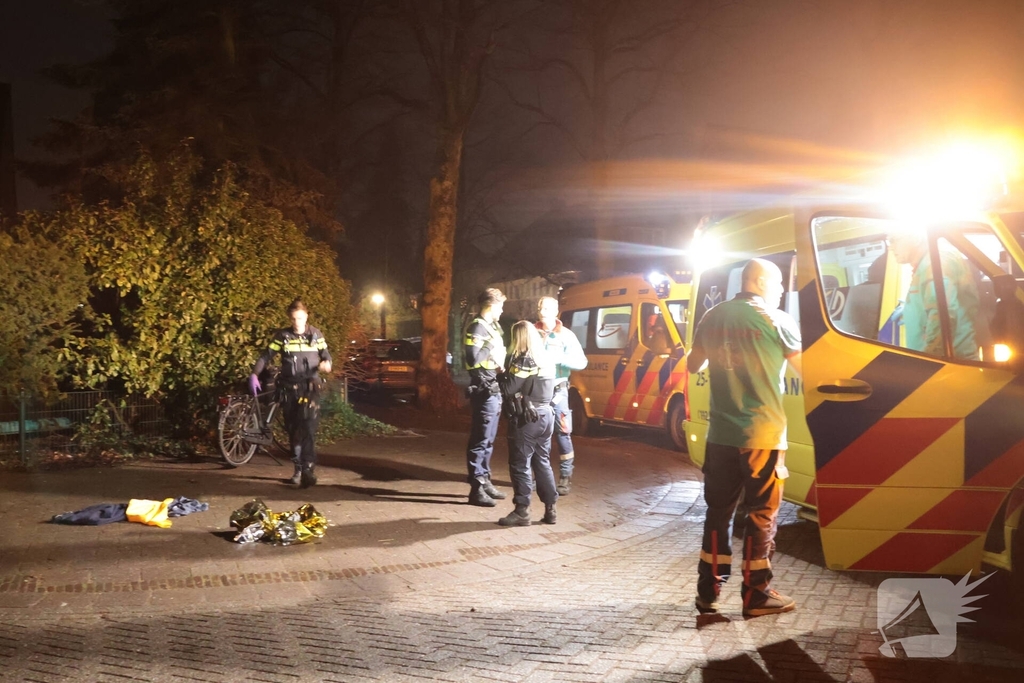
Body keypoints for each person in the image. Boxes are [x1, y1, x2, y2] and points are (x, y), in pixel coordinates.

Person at [685, 258, 802, 617]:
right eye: (779, 283)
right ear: (761, 282)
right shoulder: (778, 320)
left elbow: (693, 365)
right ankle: (756, 594)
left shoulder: (713, 316)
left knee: (718, 513)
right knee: (761, 515)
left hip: (720, 434)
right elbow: (808, 369)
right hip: (762, 434)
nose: (782, 290)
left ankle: (709, 592)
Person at [250, 298, 332, 488]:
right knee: (294, 430)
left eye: (300, 318)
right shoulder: (283, 336)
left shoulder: (316, 335)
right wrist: (255, 374)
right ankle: (298, 469)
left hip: (310, 388)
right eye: (294, 319)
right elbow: (266, 355)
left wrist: (327, 363)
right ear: (290, 318)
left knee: (309, 428)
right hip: (289, 390)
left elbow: (326, 354)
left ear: (306, 317)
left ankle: (308, 469)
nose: (297, 323)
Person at [497, 321, 558, 526]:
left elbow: (508, 389)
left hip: (528, 418)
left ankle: (522, 510)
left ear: (519, 338)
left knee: (520, 463)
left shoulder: (525, 360)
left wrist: (500, 373)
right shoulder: (546, 359)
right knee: (542, 462)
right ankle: (551, 509)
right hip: (547, 415)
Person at [888, 231, 980, 360]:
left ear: (915, 237)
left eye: (893, 239)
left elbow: (942, 312)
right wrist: (913, 311)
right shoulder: (927, 263)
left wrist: (929, 358)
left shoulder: (936, 262)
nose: (890, 247)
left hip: (948, 367)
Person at [535, 296, 588, 495]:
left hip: (558, 392)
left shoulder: (566, 335)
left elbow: (582, 362)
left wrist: (561, 359)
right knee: (537, 434)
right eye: (540, 306)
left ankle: (565, 477)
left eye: (547, 307)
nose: (542, 310)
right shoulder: (532, 333)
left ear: (556, 310)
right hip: (536, 391)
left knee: (563, 433)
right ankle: (538, 475)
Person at [463, 288, 508, 506]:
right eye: (501, 306)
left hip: (493, 385)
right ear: (491, 305)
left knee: (489, 439)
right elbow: (473, 358)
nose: (502, 311)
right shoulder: (478, 327)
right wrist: (491, 346)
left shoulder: (492, 327)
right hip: (483, 387)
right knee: (480, 439)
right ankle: (476, 489)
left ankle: (485, 479)